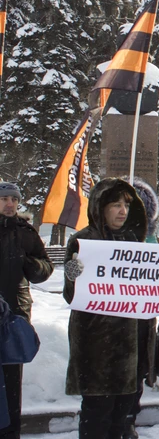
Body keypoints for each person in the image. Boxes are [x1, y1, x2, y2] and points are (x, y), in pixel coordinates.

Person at [63, 179, 151, 439]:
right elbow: (72, 297)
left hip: (128, 348)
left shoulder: (135, 242)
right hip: (95, 348)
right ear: (101, 208)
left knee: (121, 421)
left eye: (126, 204)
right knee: (96, 418)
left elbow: (155, 286)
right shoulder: (83, 241)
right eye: (115, 205)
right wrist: (72, 274)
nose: (122, 210)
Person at [0, 182, 52, 438]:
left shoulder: (25, 231)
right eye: (4, 199)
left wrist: (28, 262)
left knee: (11, 383)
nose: (10, 204)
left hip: (14, 318)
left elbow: (45, 267)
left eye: (13, 199)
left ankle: (11, 432)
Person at [126, 178, 159, 439]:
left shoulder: (151, 236)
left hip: (143, 317)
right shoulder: (103, 235)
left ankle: (130, 419)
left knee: (137, 371)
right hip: (113, 321)